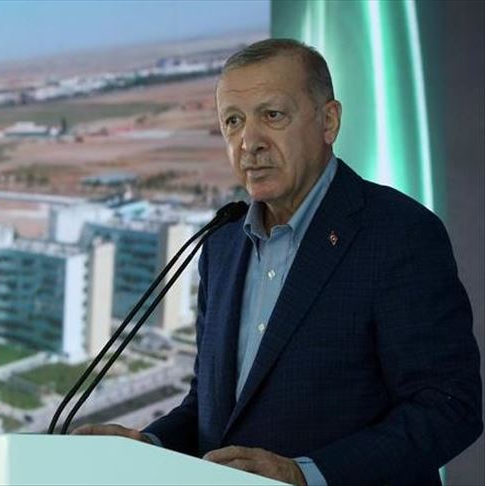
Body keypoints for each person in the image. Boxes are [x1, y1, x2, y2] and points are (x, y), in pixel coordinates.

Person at [72, 38, 483, 485]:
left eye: (272, 115)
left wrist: (307, 475)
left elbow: (448, 408)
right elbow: (210, 410)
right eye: (233, 121)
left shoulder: (399, 233)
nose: (249, 143)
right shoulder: (222, 243)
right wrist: (149, 445)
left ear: (329, 121)